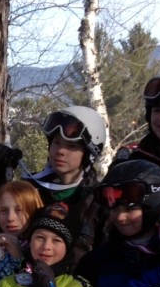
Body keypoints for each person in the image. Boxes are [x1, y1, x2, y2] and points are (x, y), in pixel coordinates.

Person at [24, 106, 107, 258]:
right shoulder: (31, 188)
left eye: (71, 146)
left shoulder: (97, 200)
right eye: (56, 142)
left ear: (89, 154)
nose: (60, 151)